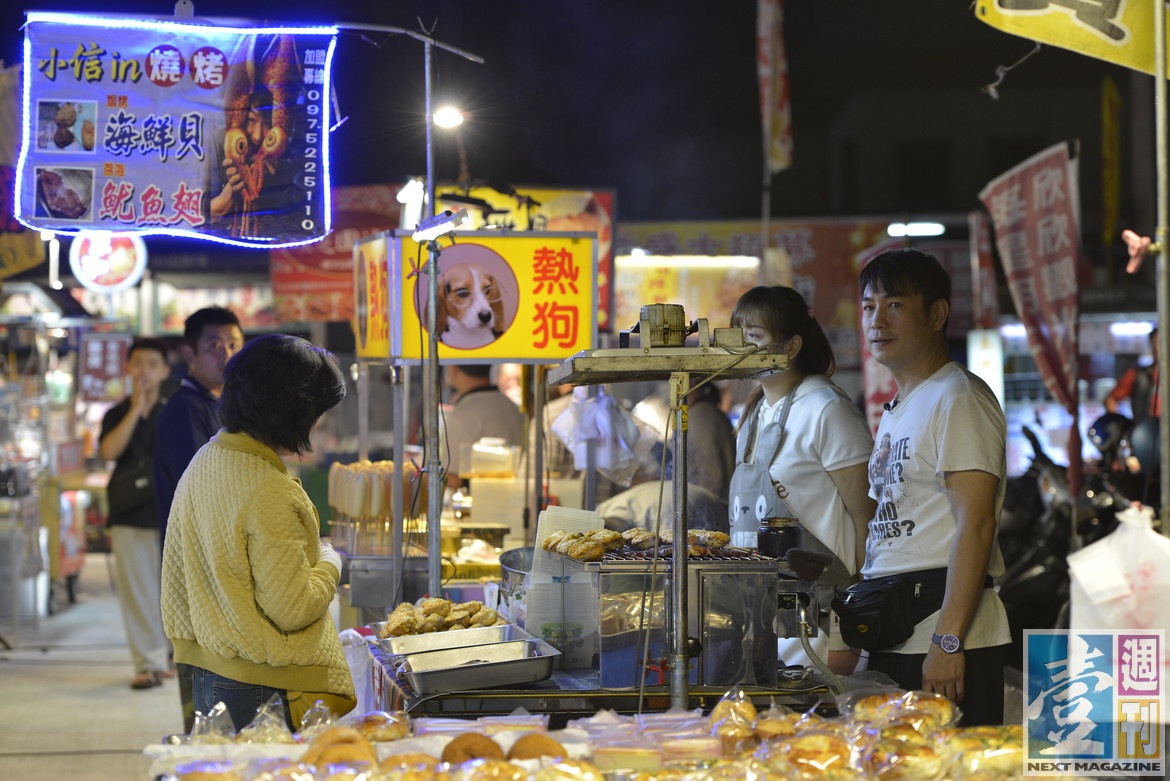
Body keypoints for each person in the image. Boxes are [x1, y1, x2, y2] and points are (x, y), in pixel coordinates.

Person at [161, 334, 354, 732]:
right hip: (262, 685)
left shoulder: (208, 458)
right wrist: (331, 560)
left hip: (212, 671)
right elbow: (293, 607)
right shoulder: (269, 490)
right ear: (292, 411)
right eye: (317, 411)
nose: (319, 423)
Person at [859, 248, 1010, 725]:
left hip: (945, 638)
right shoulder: (901, 407)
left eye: (895, 304)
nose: (876, 320)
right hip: (898, 631)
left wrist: (948, 641)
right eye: (868, 306)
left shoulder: (957, 397)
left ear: (938, 313)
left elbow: (977, 526)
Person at [729, 285, 876, 676]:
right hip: (765, 615)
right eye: (736, 336)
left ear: (791, 346)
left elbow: (868, 519)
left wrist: (853, 627)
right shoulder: (754, 414)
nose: (741, 348)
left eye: (754, 338)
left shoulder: (827, 409)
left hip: (826, 617)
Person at [153, 305, 244, 731]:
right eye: (214, 346)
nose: (225, 353)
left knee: (221, 682)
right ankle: (203, 766)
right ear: (189, 353)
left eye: (233, 344)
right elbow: (203, 491)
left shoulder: (216, 405)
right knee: (204, 683)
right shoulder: (184, 410)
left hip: (212, 567)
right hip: (195, 569)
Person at [98, 337, 172, 691]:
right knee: (137, 593)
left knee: (171, 590)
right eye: (138, 363)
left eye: (152, 364)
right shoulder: (116, 413)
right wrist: (135, 409)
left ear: (165, 370)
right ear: (128, 368)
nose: (144, 371)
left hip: (168, 514)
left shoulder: (173, 412)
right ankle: (148, 664)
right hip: (129, 513)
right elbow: (110, 451)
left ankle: (170, 657)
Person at [439, 364, 525, 488]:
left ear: (454, 369)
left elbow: (452, 480)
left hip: (479, 503)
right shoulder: (513, 408)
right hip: (517, 497)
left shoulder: (462, 414)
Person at [1104, 326, 1159, 424]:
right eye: (1155, 343)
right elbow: (1110, 399)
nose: (1159, 348)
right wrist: (1123, 427)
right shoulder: (1137, 375)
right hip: (1146, 432)